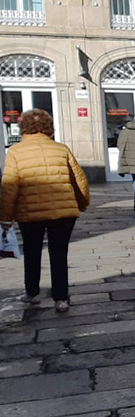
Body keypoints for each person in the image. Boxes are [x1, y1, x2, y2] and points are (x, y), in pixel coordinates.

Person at [0, 109, 90, 313]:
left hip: (30, 212)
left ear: (24, 128)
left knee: (32, 252)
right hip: (63, 212)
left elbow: (9, 187)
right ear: (49, 127)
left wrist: (5, 217)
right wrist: (82, 202)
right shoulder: (61, 149)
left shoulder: (15, 151)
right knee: (59, 253)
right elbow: (80, 180)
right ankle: (61, 299)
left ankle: (32, 294)